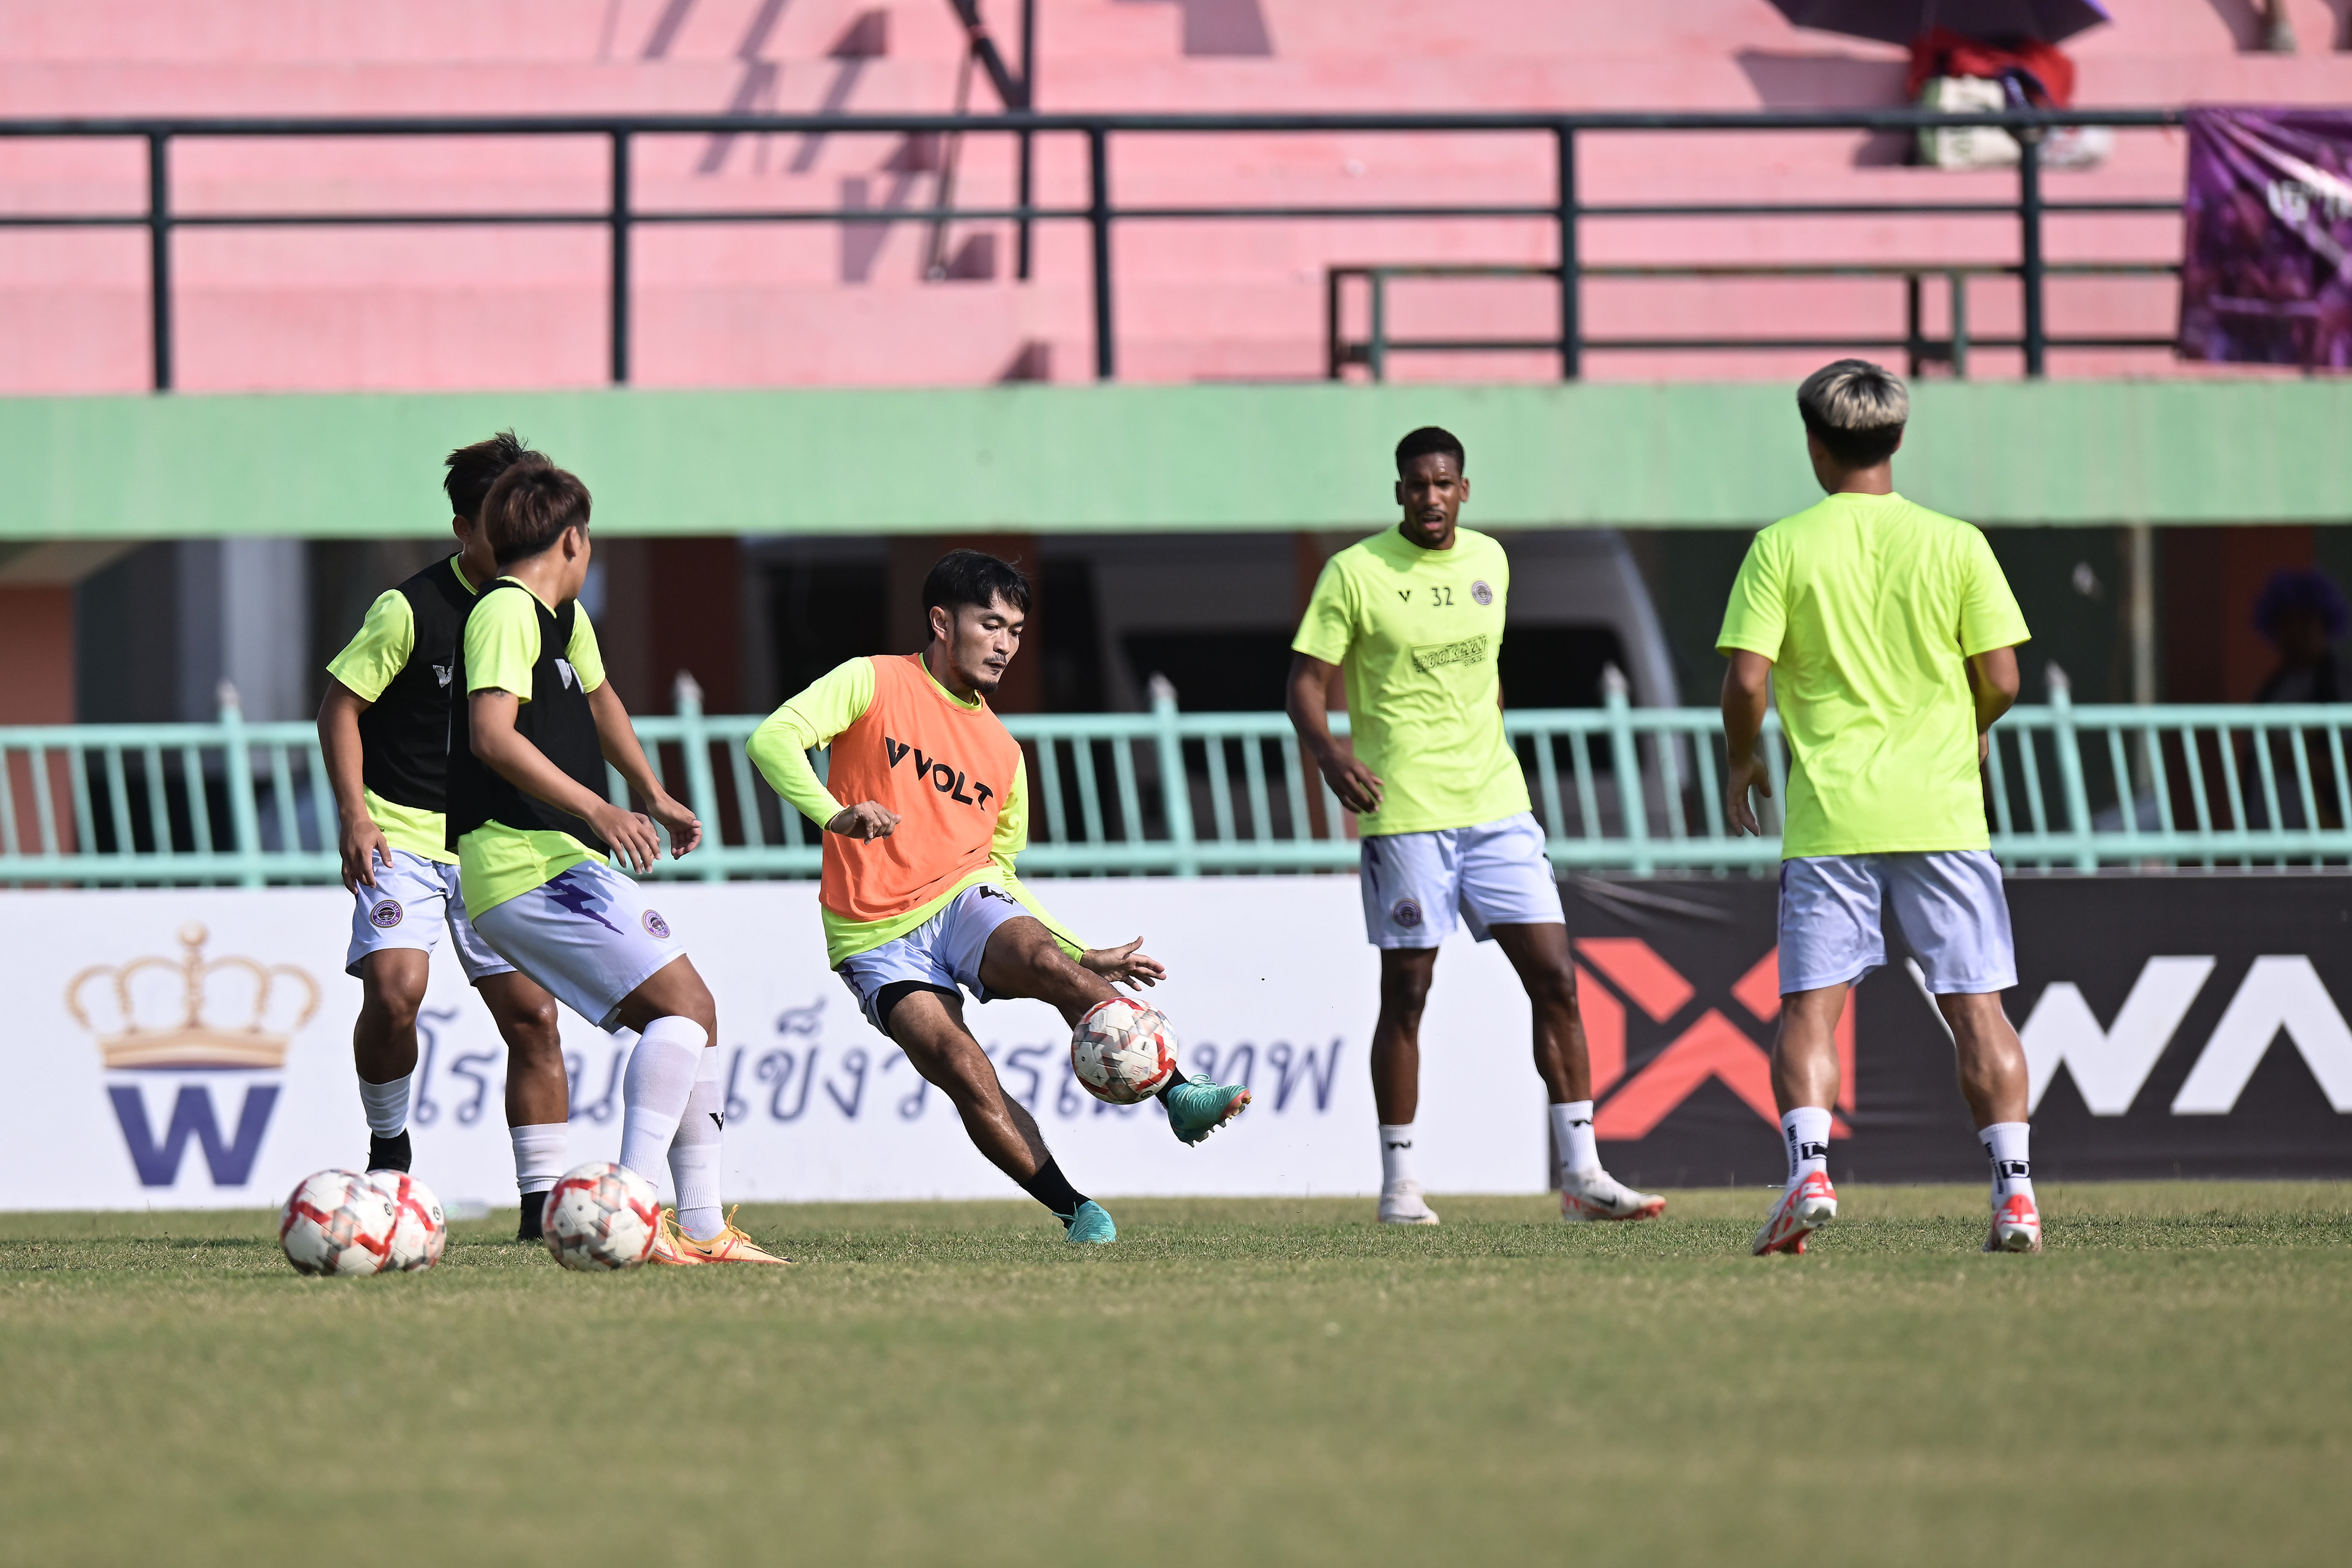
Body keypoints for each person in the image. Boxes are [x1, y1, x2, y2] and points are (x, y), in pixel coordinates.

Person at [745, 549, 1254, 1245]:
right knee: (961, 1067)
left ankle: (1179, 1092)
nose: (1006, 644)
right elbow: (772, 739)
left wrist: (1080, 952)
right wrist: (835, 814)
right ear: (941, 622)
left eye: (1015, 630)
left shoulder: (1004, 753)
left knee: (1042, 960)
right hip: (871, 935)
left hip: (962, 896)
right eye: (991, 624)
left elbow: (1001, 874)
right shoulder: (873, 679)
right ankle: (1078, 1212)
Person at [1286, 426, 1665, 1227]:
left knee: (1556, 979)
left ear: (1464, 490)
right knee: (1408, 990)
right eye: (1416, 485)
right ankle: (1400, 1186)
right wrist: (1330, 755)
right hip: (1406, 811)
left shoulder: (1491, 560)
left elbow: (1486, 677)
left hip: (1498, 808)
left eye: (1443, 484)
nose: (1430, 497)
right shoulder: (1355, 572)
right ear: (1399, 492)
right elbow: (1306, 685)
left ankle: (1583, 1176)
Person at [1718, 359, 2041, 1257]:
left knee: (1810, 1013)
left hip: (1833, 817)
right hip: (1943, 812)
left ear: (1815, 446)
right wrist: (1971, 726)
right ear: (1896, 438)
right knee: (1978, 1009)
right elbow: (2003, 676)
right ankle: (2016, 1197)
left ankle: (1810, 1175)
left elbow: (1747, 681)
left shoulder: (1782, 547)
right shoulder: (1958, 543)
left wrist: (1742, 759)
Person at [448, 456, 785, 1265]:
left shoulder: (561, 618)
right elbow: (491, 736)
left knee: (693, 1015)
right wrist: (600, 809)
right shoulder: (506, 610)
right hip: (524, 861)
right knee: (686, 1008)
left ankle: (700, 1227)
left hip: (556, 858)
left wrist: (650, 791)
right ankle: (629, 1214)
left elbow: (601, 702)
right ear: (574, 540)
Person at [317, 432, 570, 1240]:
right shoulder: (409, 608)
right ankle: (389, 1149)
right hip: (404, 835)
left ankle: (542, 1209)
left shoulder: (549, 611)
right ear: (464, 527)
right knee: (395, 994)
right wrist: (355, 815)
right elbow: (340, 707)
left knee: (534, 1019)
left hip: (499, 845)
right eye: (502, 523)